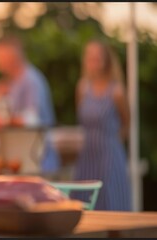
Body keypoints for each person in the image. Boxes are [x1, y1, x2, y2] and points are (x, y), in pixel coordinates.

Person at [0, 35, 61, 175]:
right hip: (21, 162)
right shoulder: (8, 83)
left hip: (36, 161)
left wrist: (5, 120)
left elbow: (32, 118)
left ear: (11, 55)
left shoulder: (31, 81)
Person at [72, 40, 131, 211]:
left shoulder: (117, 91)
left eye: (97, 57)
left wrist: (113, 144)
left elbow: (126, 123)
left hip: (109, 155)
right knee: (84, 200)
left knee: (110, 200)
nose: (93, 61)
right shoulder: (82, 88)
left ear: (106, 60)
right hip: (87, 155)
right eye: (89, 57)